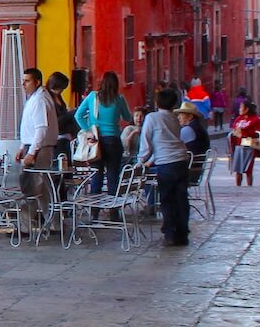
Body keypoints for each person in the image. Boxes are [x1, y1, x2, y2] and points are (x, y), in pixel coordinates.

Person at [137, 87, 191, 246]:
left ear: (157, 102)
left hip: (165, 163)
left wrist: (141, 160)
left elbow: (146, 141)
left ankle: (169, 234)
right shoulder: (174, 118)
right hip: (181, 160)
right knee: (181, 198)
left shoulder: (152, 118)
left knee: (167, 199)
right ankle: (183, 233)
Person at [74, 70, 132, 194]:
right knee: (113, 176)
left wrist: (89, 131)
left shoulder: (92, 97)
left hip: (96, 140)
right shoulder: (119, 99)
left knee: (96, 175)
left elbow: (78, 115)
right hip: (113, 141)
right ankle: (113, 210)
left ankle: (95, 211)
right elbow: (128, 117)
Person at [16, 67, 58, 219]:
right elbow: (30, 127)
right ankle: (51, 221)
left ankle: (27, 225)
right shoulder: (34, 98)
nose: (24, 85)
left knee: (32, 187)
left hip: (38, 149)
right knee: (40, 188)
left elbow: (41, 129)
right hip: (32, 146)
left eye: (27, 81)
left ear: (37, 82)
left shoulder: (39, 100)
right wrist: (22, 146)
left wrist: (31, 152)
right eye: (23, 81)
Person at [229, 100, 260, 186]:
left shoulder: (255, 119)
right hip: (238, 145)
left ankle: (249, 187)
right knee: (238, 169)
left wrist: (244, 132)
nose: (239, 109)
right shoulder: (238, 118)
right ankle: (238, 187)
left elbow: (256, 133)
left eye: (241, 107)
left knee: (248, 169)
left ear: (247, 109)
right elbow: (234, 130)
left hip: (249, 145)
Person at [47, 71, 78, 163]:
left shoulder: (58, 96)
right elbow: (55, 120)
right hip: (57, 136)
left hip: (65, 135)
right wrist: (70, 113)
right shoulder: (48, 98)